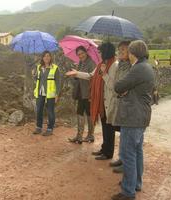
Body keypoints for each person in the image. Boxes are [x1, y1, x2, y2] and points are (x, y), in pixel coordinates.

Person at [111, 40, 155, 200]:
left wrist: (124, 90)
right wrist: (127, 90)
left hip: (133, 117)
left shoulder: (138, 69)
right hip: (141, 115)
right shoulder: (146, 67)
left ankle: (128, 191)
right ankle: (135, 183)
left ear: (133, 53)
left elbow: (118, 86)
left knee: (127, 153)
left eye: (128, 52)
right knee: (137, 152)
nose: (127, 55)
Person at [66, 42, 119, 160]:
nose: (99, 54)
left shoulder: (114, 65)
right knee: (105, 126)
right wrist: (77, 73)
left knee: (109, 128)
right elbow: (91, 75)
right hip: (101, 100)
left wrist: (104, 73)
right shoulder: (101, 64)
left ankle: (108, 152)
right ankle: (104, 149)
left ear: (105, 52)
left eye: (100, 52)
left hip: (108, 101)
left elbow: (113, 85)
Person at [109, 41, 132, 173]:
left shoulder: (132, 67)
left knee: (127, 135)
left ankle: (126, 163)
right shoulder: (119, 65)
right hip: (119, 102)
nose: (120, 52)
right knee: (122, 134)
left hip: (126, 104)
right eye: (119, 50)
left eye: (123, 49)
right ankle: (122, 158)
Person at [68, 46, 96, 144]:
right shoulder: (80, 63)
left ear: (86, 52)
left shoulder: (91, 63)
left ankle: (90, 135)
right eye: (78, 54)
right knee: (80, 112)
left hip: (88, 92)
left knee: (89, 113)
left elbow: (91, 77)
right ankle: (79, 136)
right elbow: (78, 76)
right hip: (80, 92)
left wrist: (77, 73)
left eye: (82, 53)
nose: (80, 56)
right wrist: (74, 75)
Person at [33, 51, 61, 136]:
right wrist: (33, 75)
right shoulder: (39, 67)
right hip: (40, 92)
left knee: (50, 111)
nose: (46, 58)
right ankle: (39, 127)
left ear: (51, 57)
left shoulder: (55, 68)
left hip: (50, 93)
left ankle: (50, 128)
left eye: (48, 56)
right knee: (39, 110)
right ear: (42, 58)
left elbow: (58, 82)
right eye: (45, 56)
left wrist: (57, 94)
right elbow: (37, 80)